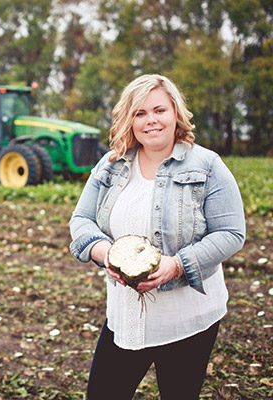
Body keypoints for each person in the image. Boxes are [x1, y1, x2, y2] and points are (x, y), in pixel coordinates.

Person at [69, 74, 246, 400]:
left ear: (176, 114)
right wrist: (104, 252)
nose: (151, 120)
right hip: (124, 316)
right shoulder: (110, 166)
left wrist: (177, 265)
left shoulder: (207, 165)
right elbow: (81, 220)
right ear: (129, 120)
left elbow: (232, 233)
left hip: (187, 319)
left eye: (159, 110)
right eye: (140, 113)